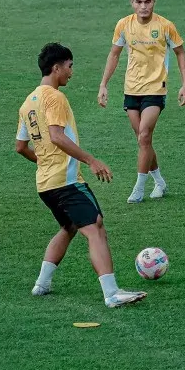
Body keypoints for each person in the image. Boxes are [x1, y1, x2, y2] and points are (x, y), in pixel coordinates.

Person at [16, 43, 146, 309]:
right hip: (66, 181)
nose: (71, 73)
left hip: (45, 183)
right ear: (57, 68)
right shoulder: (55, 98)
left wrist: (44, 163)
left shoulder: (27, 103)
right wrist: (91, 159)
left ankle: (42, 284)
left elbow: (20, 147)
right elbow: (56, 135)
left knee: (69, 227)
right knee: (95, 227)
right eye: (70, 66)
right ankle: (111, 293)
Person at [98, 0, 185, 204]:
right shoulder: (123, 25)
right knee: (143, 141)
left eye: (147, 1)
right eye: (138, 2)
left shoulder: (166, 26)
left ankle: (139, 188)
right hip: (131, 89)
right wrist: (103, 84)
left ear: (154, 1)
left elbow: (180, 53)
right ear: (131, 2)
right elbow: (114, 54)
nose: (143, 6)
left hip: (155, 89)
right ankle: (159, 181)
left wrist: (184, 84)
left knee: (144, 135)